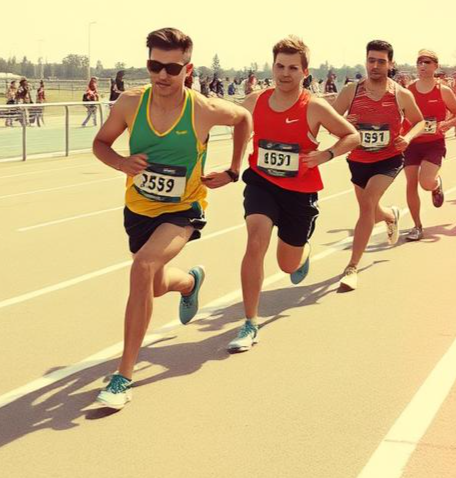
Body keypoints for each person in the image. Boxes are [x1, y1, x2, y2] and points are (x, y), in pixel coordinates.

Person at [93, 27, 252, 408]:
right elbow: (101, 144)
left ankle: (123, 377)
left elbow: (244, 118)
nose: (162, 75)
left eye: (172, 68)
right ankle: (189, 282)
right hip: (139, 209)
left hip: (184, 208)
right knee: (152, 283)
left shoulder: (203, 109)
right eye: (155, 66)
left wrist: (234, 170)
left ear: (188, 69)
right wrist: (121, 163)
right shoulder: (131, 103)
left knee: (143, 267)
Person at [227, 36, 359, 352]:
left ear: (304, 72)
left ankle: (302, 252)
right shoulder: (256, 101)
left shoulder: (314, 106)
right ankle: (250, 323)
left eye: (292, 68)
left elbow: (352, 136)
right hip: (261, 183)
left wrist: (325, 155)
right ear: (272, 67)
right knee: (255, 240)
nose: (285, 73)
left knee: (287, 264)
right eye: (280, 66)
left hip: (299, 192)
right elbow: (229, 119)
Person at [331, 40, 424, 289]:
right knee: (370, 210)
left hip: (388, 159)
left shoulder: (401, 94)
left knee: (367, 204)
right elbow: (330, 121)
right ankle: (390, 215)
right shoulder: (351, 91)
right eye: (371, 60)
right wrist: (344, 124)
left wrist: (408, 137)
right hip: (358, 159)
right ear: (366, 61)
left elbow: (420, 121)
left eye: (381, 61)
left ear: (390, 64)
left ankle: (351, 267)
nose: (375, 66)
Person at [403, 50, 456, 239]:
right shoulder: (408, 91)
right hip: (412, 143)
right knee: (411, 183)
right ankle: (417, 226)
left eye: (427, 62)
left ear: (435, 66)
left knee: (425, 182)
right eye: (419, 62)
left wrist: (447, 124)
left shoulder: (443, 90)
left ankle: (436, 184)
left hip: (434, 143)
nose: (422, 66)